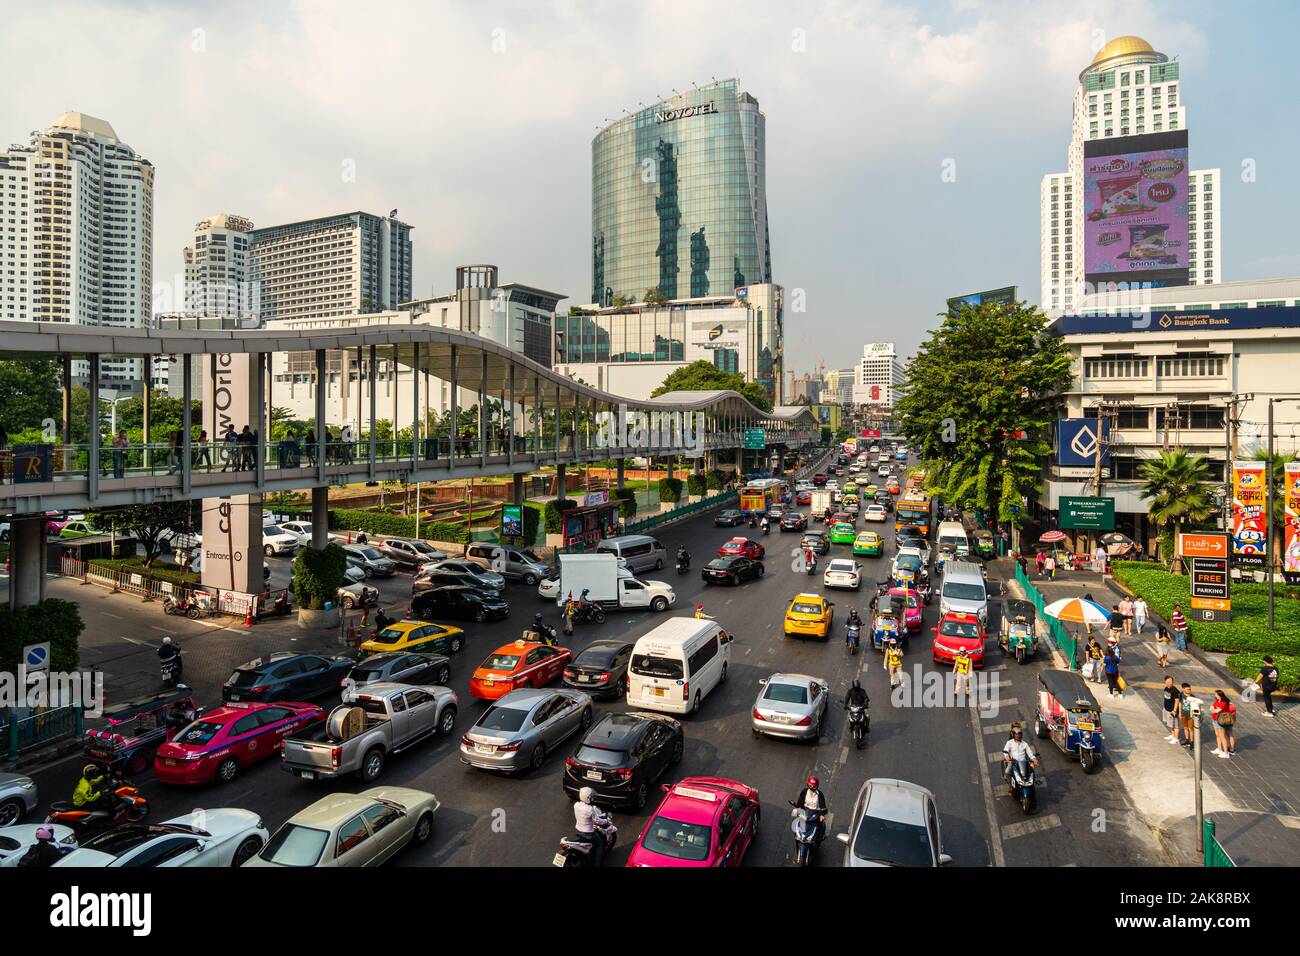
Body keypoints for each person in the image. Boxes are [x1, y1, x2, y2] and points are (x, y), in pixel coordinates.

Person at [572, 787, 612, 867]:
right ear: (587, 798)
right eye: (591, 797)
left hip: (578, 830)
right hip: (588, 833)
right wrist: (606, 821)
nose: (592, 798)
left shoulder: (576, 805)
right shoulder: (589, 809)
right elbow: (597, 821)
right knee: (599, 845)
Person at [789, 775, 828, 845]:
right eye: (810, 785)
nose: (812, 787)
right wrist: (797, 808)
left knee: (820, 826)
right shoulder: (804, 791)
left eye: (814, 786)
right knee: (796, 823)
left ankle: (819, 839)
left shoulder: (820, 794)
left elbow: (823, 806)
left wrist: (822, 814)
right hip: (805, 811)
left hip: (815, 812)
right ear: (808, 784)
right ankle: (797, 837)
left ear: (817, 786)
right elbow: (800, 802)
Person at [1001, 725, 1039, 792]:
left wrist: (1034, 759)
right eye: (1017, 734)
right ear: (1014, 735)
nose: (1018, 735)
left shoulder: (1025, 744)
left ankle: (1032, 786)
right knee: (1007, 772)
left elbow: (1030, 753)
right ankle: (1011, 786)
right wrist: (1007, 758)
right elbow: (1005, 751)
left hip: (1023, 763)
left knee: (1032, 773)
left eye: (1020, 734)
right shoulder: (1009, 743)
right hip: (1013, 762)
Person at [1211, 690, 1237, 758]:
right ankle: (1220, 749)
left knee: (1223, 736)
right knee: (1218, 735)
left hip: (1221, 720)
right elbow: (1212, 708)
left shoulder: (1223, 703)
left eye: (1216, 694)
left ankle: (1226, 752)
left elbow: (1216, 710)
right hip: (1216, 719)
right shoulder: (1217, 701)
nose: (1215, 696)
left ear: (1220, 695)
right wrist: (1213, 710)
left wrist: (1214, 710)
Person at [1161, 676, 1183, 744]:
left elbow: (1177, 701)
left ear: (1173, 682)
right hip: (1167, 708)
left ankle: (1176, 739)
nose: (1169, 683)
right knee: (1171, 724)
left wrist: (1174, 710)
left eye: (1170, 682)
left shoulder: (1175, 691)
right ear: (1165, 682)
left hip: (1172, 710)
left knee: (1175, 725)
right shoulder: (1166, 688)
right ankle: (1172, 735)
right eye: (1168, 682)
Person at [1178, 683, 1198, 748]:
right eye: (1187, 689)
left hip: (1190, 715)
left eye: (1190, 689)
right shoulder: (1181, 695)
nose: (1189, 690)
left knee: (1191, 729)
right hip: (1183, 714)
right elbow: (1180, 703)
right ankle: (1187, 739)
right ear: (1183, 689)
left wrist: (1194, 715)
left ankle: (1191, 741)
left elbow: (1195, 706)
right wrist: (1180, 713)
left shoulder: (1192, 697)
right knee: (1185, 727)